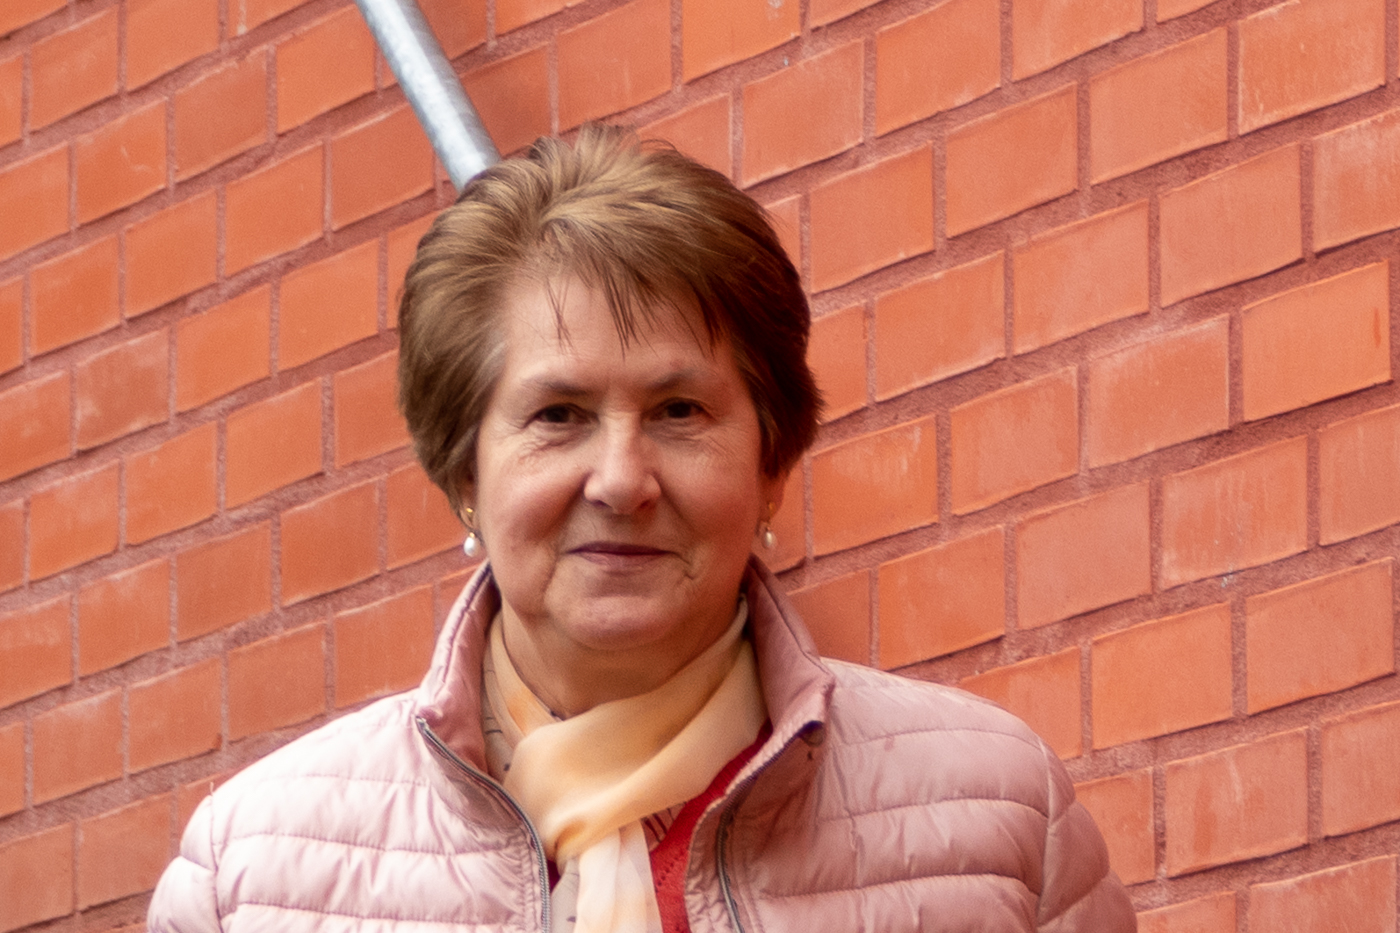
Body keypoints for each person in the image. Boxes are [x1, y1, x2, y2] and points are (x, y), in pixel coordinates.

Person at [147, 125, 1136, 933]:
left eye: (678, 410)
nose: (621, 480)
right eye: (557, 415)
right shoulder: (252, 882)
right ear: (463, 476)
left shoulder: (1000, 824)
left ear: (771, 463)